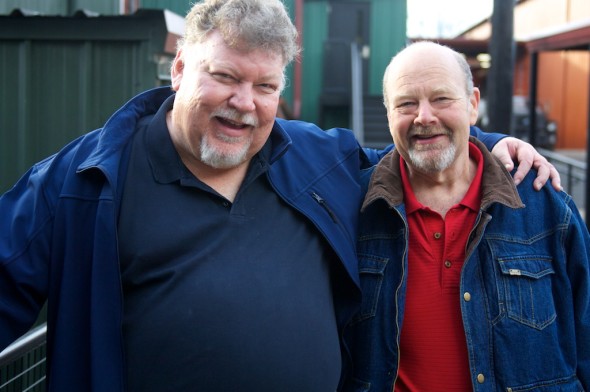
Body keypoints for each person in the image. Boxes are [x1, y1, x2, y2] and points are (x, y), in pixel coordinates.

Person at [0, 0, 560, 390]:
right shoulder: (83, 180)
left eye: (265, 86)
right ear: (178, 69)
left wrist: (492, 143)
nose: (244, 102)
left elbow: (416, 143)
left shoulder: (319, 160)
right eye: (224, 76)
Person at [341, 41, 590, 391]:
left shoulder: (544, 204)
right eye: (406, 103)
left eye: (442, 99)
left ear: (473, 105)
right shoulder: (354, 207)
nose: (424, 116)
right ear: (388, 114)